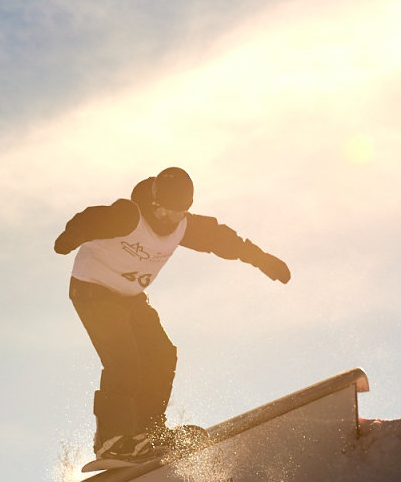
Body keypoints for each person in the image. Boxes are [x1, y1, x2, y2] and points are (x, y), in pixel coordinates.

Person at [54, 166, 291, 464]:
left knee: (162, 354)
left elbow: (222, 239)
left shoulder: (184, 226)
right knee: (124, 359)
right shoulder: (129, 216)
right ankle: (112, 440)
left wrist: (261, 259)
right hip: (93, 290)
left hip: (129, 298)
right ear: (152, 202)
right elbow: (91, 218)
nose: (167, 220)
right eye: (162, 212)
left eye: (176, 214)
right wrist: (72, 234)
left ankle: (148, 430)